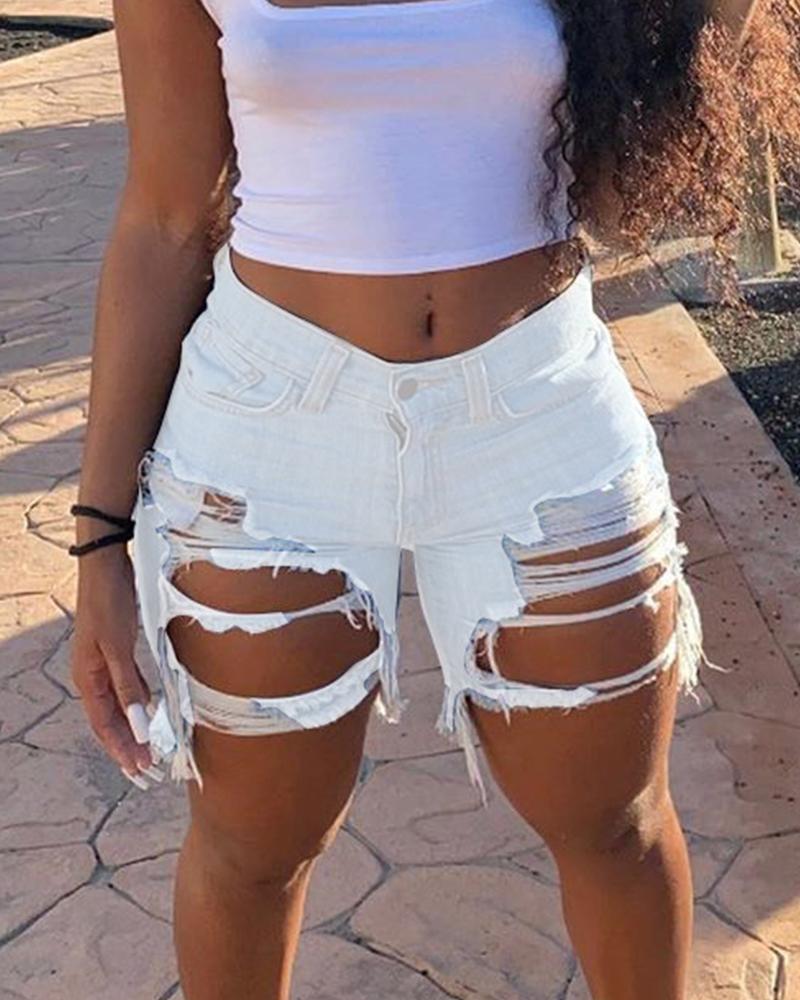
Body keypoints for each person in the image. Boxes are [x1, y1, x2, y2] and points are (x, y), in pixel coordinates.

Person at [69, 0, 797, 997]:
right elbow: (163, 219)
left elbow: (644, 127)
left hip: (534, 404)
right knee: (251, 847)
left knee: (614, 826)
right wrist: (99, 536)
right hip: (267, 423)